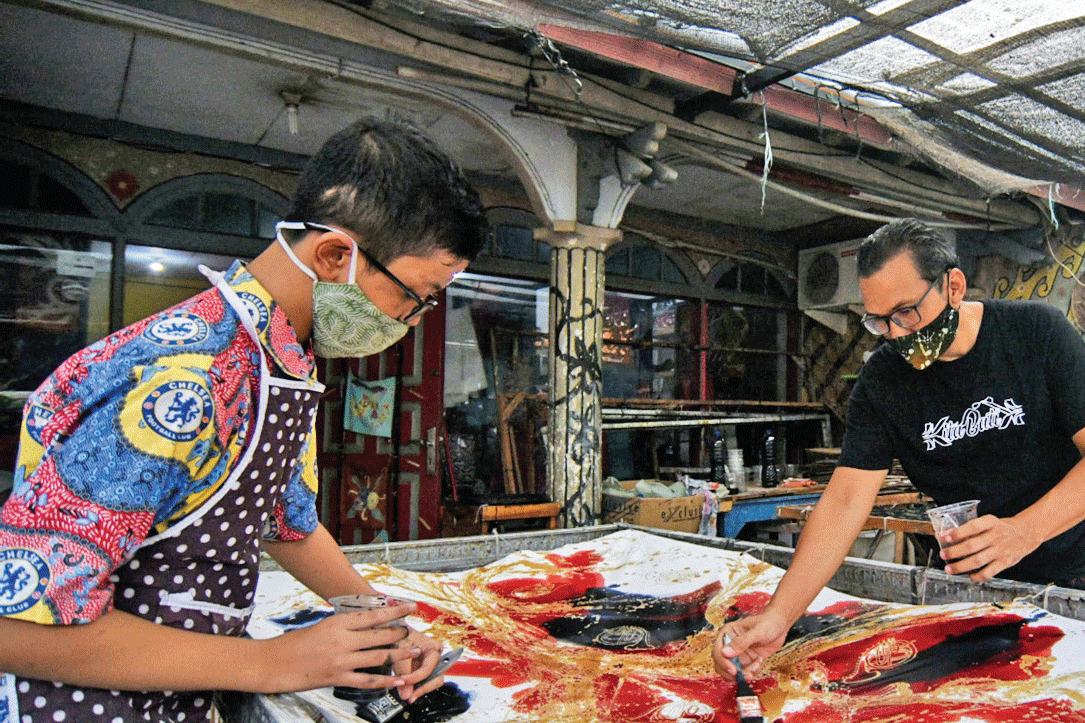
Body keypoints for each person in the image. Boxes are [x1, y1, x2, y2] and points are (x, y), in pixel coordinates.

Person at [0, 118, 488, 721]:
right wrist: (277, 661)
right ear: (337, 255)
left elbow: (287, 521)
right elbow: (17, 629)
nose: (413, 319)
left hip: (184, 692)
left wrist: (373, 622)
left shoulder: (278, 359)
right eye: (415, 295)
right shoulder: (184, 379)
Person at [713, 217, 1085, 681]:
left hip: (1077, 569)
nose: (897, 334)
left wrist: (1024, 531)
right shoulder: (883, 383)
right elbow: (846, 502)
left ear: (953, 286)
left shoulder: (1037, 334)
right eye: (879, 320)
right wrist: (778, 617)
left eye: (907, 313)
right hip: (985, 588)